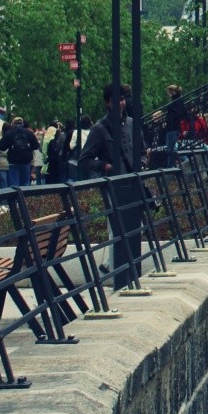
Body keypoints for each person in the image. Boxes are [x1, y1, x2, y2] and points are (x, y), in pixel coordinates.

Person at [77, 86, 144, 288]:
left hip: (133, 185)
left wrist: (142, 162)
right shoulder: (99, 128)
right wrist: (105, 166)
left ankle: (134, 278)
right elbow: (84, 159)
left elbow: (141, 149)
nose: (121, 103)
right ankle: (121, 281)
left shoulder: (133, 124)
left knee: (135, 233)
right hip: (115, 188)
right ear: (108, 103)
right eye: (117, 100)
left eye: (123, 99)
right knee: (118, 234)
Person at [0, 117, 37, 187]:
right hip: (26, 161)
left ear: (13, 124)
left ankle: (15, 197)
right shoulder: (29, 133)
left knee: (14, 184)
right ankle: (24, 197)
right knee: (25, 183)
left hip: (13, 162)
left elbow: (1, 146)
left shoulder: (9, 133)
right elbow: (36, 146)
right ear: (22, 124)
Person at [162, 84, 189, 162]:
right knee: (172, 149)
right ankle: (171, 167)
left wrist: (168, 122)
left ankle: (185, 160)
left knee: (171, 150)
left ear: (171, 92)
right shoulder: (180, 101)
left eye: (168, 93)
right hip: (176, 128)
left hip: (172, 128)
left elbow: (173, 116)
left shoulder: (174, 103)